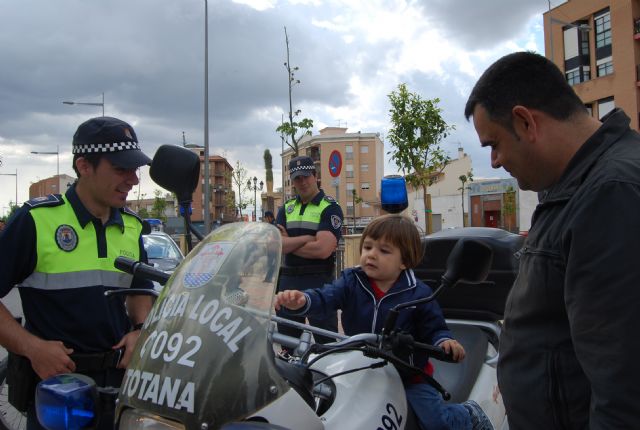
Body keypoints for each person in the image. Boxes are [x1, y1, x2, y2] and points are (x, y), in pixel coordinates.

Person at [465, 51, 640, 429]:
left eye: (493, 143)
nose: (494, 161)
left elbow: (624, 387)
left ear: (525, 121)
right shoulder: (577, 188)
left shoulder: (611, 194)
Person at [0, 116, 155, 429]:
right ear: (84, 166)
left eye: (135, 170)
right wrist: (32, 348)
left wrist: (140, 329)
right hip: (60, 391)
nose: (133, 180)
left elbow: (139, 289)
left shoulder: (132, 226)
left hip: (120, 386)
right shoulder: (36, 221)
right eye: (121, 169)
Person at [275, 214, 493, 430]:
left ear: (405, 261)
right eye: (367, 247)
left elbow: (434, 328)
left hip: (408, 375)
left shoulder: (418, 293)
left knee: (436, 421)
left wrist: (445, 341)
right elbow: (327, 296)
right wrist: (303, 300)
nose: (372, 255)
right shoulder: (352, 281)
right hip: (360, 366)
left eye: (384, 250)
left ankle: (468, 414)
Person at [275, 155, 343, 344]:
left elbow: (322, 250)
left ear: (315, 176)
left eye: (306, 176)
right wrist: (307, 238)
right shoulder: (286, 209)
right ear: (293, 181)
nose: (302, 182)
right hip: (288, 283)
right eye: (297, 178)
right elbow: (277, 244)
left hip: (319, 282)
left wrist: (290, 243)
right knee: (288, 343)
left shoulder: (330, 207)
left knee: (326, 343)